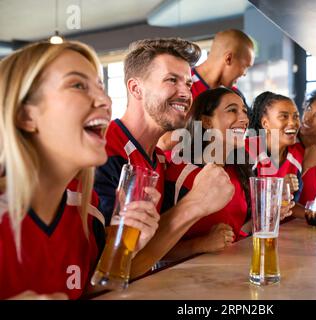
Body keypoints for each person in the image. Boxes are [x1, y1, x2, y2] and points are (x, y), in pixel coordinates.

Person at [0, 41, 160, 299]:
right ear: (25, 116)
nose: (105, 100)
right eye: (77, 85)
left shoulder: (89, 211)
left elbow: (82, 289)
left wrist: (126, 250)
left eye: (101, 86)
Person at [94, 38, 235, 277]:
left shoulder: (159, 159)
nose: (185, 93)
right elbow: (110, 269)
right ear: (136, 88)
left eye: (189, 84)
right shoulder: (104, 153)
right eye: (172, 80)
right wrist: (195, 204)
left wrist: (198, 242)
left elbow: (153, 246)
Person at [162, 87, 252, 260]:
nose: (244, 119)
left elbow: (236, 230)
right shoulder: (179, 173)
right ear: (207, 122)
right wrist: (200, 244)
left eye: (244, 112)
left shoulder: (238, 170)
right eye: (232, 110)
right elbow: (152, 252)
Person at [248, 91, 316, 225]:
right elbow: (247, 204)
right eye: (308, 110)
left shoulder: (298, 153)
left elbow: (290, 202)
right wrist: (304, 166)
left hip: (282, 225)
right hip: (254, 229)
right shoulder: (251, 149)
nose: (307, 119)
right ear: (265, 123)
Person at [157, 29, 255, 154]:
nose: (245, 73)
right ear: (229, 59)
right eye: (245, 66)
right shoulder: (182, 87)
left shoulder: (235, 96)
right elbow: (162, 141)